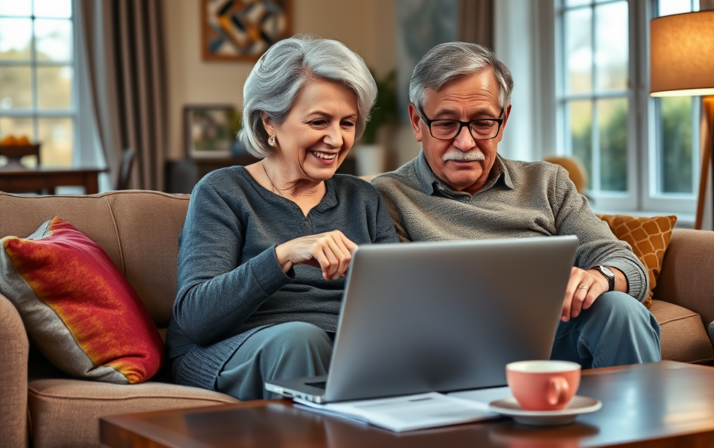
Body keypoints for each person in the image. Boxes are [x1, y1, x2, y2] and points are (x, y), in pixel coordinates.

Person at [372, 42, 661, 368]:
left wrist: (601, 276)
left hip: (551, 341)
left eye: (482, 122)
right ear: (416, 122)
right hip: (448, 350)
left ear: (504, 119)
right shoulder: (385, 196)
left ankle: (641, 418)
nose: (465, 143)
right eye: (446, 123)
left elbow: (628, 266)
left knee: (620, 310)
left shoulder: (547, 182)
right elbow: (393, 310)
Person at [166, 36, 398, 400]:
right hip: (234, 350)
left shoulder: (363, 198)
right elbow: (196, 318)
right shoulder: (223, 191)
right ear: (269, 122)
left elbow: (396, 304)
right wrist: (284, 255)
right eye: (319, 121)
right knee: (299, 339)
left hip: (343, 352)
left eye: (348, 123)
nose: (336, 139)